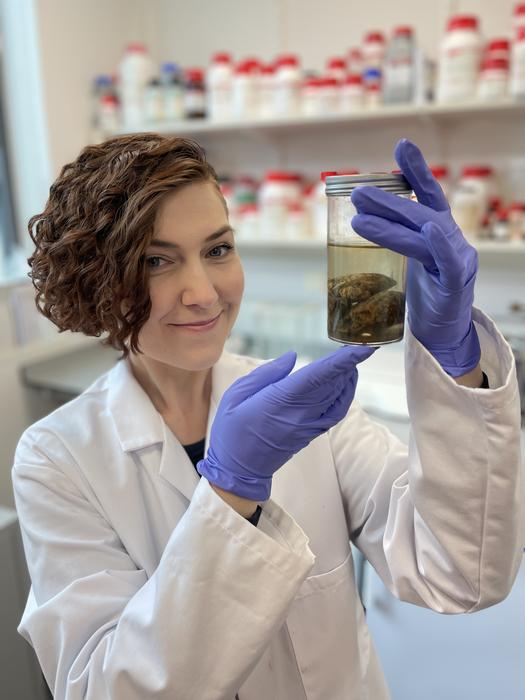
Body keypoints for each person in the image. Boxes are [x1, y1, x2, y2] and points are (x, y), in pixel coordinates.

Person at [12, 133, 522, 700]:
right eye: (158, 261)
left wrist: (458, 365)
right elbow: (103, 689)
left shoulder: (305, 408)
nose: (203, 293)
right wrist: (231, 494)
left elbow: (460, 572)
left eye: (218, 249)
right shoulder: (56, 458)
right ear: (96, 281)